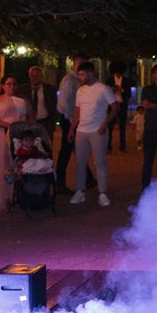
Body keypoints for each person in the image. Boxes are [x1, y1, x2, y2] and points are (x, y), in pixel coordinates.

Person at [69, 62, 117, 207]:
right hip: (81, 131)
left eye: (82, 74)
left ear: (91, 72)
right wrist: (72, 129)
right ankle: (80, 191)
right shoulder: (80, 91)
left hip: (97, 131)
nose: (80, 77)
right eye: (79, 74)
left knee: (100, 162)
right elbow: (77, 111)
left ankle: (102, 193)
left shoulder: (103, 89)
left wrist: (105, 124)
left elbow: (115, 108)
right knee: (80, 163)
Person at [0, 75, 32, 211]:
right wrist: (8, 125)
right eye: (8, 84)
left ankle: (20, 196)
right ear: (3, 85)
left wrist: (26, 128)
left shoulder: (23, 100)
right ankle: (4, 198)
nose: (11, 86)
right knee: (3, 165)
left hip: (20, 136)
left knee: (19, 165)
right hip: (2, 135)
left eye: (14, 84)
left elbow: (31, 116)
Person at [56, 54, 95, 194]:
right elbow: (65, 103)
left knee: (76, 149)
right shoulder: (70, 80)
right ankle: (60, 183)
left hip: (72, 119)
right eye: (81, 64)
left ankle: (87, 179)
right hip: (70, 120)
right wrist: (71, 122)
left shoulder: (76, 80)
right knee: (68, 150)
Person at [17, 66, 57, 145]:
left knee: (46, 147)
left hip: (45, 123)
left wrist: (53, 122)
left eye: (37, 76)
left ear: (41, 76)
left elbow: (55, 105)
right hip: (27, 123)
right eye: (32, 75)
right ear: (29, 76)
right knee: (28, 147)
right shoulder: (22, 89)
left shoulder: (50, 89)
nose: (34, 78)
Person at [105, 60, 133, 153]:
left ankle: (122, 147)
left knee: (122, 126)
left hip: (122, 104)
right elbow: (105, 93)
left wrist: (122, 90)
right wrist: (112, 89)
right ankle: (108, 146)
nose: (118, 74)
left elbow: (128, 94)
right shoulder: (109, 80)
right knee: (109, 126)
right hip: (111, 105)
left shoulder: (126, 80)